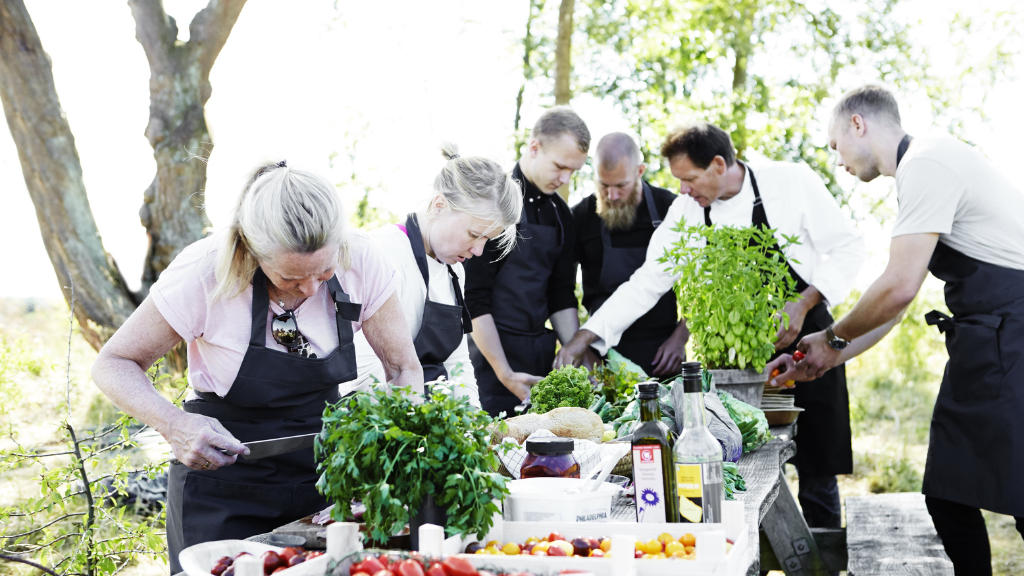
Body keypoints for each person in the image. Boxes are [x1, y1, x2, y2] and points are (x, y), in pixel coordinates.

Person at [90, 162, 423, 574]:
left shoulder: (363, 259)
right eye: (291, 278)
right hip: (221, 483)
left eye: (325, 271)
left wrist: (382, 469)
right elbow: (114, 362)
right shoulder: (203, 271)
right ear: (251, 251)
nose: (311, 289)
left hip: (325, 479)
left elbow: (404, 369)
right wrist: (174, 425)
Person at [556, 122, 866, 530]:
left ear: (719, 164)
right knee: (747, 470)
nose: (682, 190)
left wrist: (803, 301)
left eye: (688, 178)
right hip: (732, 364)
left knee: (817, 467)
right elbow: (649, 281)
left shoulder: (790, 182)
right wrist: (586, 336)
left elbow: (849, 247)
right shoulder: (688, 210)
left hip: (808, 343)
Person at [770, 85, 1024, 574]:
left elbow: (899, 287)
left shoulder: (926, 163)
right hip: (989, 339)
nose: (836, 159)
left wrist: (829, 337)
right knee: (949, 493)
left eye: (834, 143)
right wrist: (829, 355)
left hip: (1012, 338)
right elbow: (897, 305)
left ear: (858, 124)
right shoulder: (927, 165)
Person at [352, 143, 523, 405]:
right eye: (474, 235)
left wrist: (473, 423)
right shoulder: (382, 252)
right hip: (380, 419)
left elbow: (458, 363)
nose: (478, 251)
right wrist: (423, 425)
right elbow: (363, 372)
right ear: (440, 204)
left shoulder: (455, 271)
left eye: (487, 240)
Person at [463, 106, 590, 417]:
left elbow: (561, 295)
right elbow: (474, 299)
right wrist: (505, 374)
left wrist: (576, 355)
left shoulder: (562, 216)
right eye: (560, 166)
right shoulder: (496, 203)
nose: (564, 179)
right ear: (535, 148)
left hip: (538, 356)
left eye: (573, 171)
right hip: (491, 359)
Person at [570, 132, 688, 376]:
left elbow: (703, 287)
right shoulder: (580, 217)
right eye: (604, 185)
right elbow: (562, 291)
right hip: (601, 357)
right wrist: (584, 348)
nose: (612, 196)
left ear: (640, 171)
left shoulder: (671, 209)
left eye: (621, 185)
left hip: (663, 353)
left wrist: (680, 338)